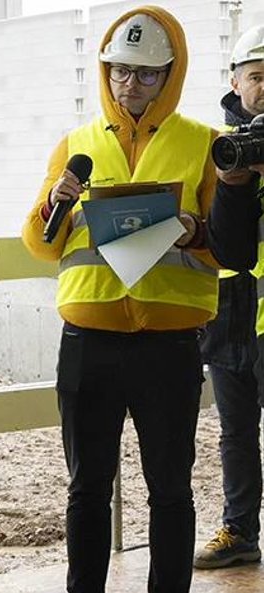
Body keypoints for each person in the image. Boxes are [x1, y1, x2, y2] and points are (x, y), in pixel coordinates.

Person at [21, 7, 222, 592]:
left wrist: (197, 232)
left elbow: (230, 247)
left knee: (170, 487)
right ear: (104, 73)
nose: (130, 85)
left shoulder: (205, 145)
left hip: (169, 344)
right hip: (89, 342)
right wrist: (55, 201)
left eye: (146, 73)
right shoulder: (75, 146)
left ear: (171, 75)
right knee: (86, 487)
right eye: (119, 72)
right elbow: (39, 243)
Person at [193, 25, 264, 571]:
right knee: (235, 432)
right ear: (236, 81)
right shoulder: (216, 146)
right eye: (257, 76)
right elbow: (223, 242)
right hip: (227, 316)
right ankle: (239, 532)